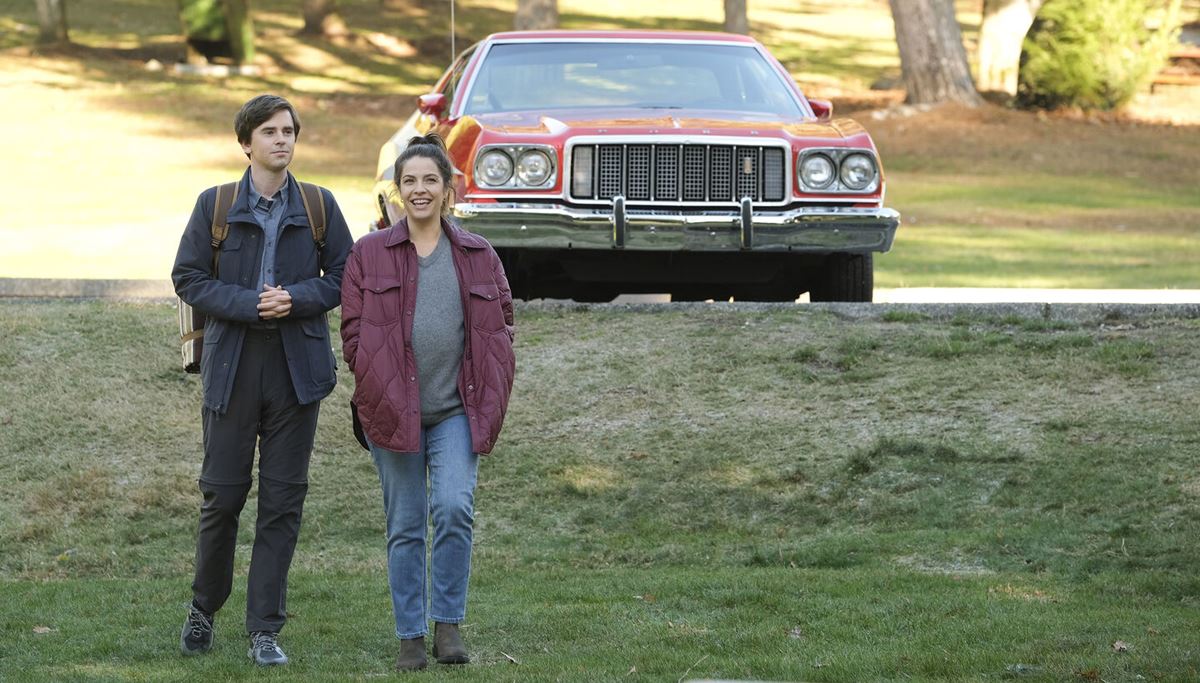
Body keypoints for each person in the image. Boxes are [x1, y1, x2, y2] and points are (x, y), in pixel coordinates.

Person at [172, 94, 353, 666]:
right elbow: (188, 277)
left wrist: (295, 297)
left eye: (289, 131)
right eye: (270, 132)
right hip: (232, 365)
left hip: (298, 371)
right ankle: (204, 609)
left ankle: (264, 630)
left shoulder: (319, 204)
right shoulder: (215, 204)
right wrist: (250, 303)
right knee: (222, 497)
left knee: (282, 501)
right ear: (246, 143)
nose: (282, 140)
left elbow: (347, 276)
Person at [340, 133, 516, 671]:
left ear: (447, 190)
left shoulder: (478, 255)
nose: (420, 190)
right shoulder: (369, 253)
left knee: (455, 509)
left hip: (456, 411)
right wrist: (375, 382)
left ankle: (448, 626)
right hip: (392, 410)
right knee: (407, 523)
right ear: (398, 189)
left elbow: (502, 326)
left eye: (430, 180)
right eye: (410, 181)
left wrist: (494, 384)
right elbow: (352, 332)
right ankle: (410, 636)